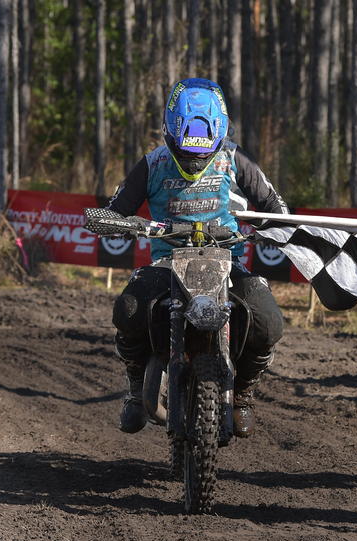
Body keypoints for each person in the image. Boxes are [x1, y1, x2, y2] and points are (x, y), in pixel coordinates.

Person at [105, 77, 286, 437]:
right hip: (166, 261)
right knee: (127, 312)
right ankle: (135, 385)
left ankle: (244, 394)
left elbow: (275, 206)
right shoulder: (153, 164)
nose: (194, 160)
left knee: (268, 322)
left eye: (202, 153)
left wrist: (271, 227)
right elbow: (117, 209)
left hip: (228, 259)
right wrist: (118, 223)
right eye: (186, 152)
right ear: (170, 133)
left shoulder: (236, 160)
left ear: (217, 136)